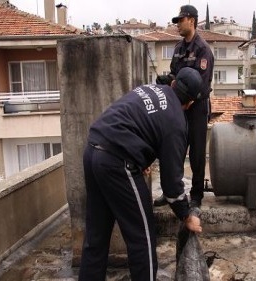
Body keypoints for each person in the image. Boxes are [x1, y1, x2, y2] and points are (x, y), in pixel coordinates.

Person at [78, 67, 204, 281]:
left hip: (93, 150)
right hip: (117, 161)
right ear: (190, 103)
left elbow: (137, 123)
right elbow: (172, 185)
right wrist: (186, 216)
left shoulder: (150, 89)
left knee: (96, 237)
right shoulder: (176, 122)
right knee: (142, 239)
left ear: (173, 83)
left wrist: (141, 158)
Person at [154, 4, 214, 208]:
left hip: (196, 108)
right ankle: (171, 192)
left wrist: (185, 100)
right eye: (177, 21)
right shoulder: (179, 49)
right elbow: (174, 74)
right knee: (174, 151)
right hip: (178, 108)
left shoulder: (203, 49)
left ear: (192, 20)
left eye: (181, 20)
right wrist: (166, 80)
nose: (178, 24)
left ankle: (196, 196)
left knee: (196, 154)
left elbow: (202, 85)